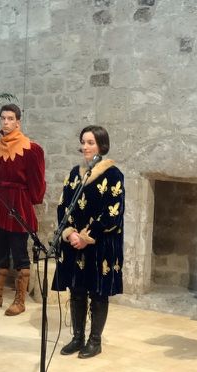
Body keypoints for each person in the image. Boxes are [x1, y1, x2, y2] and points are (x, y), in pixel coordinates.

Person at [52, 125, 125, 358]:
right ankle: (77, 337)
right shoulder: (75, 173)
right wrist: (71, 233)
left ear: (101, 145)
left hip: (100, 245)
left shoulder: (114, 175)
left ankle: (95, 341)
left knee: (97, 293)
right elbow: (64, 205)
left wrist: (86, 237)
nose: (85, 146)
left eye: (90, 142)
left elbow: (113, 212)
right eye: (83, 142)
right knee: (76, 291)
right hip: (74, 244)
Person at [0, 104, 46, 316]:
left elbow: (36, 179)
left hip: (18, 203)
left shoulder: (31, 149)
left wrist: (30, 200)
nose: (6, 122)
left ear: (18, 122)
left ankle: (20, 300)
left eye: (10, 118)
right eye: (3, 118)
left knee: (19, 251)